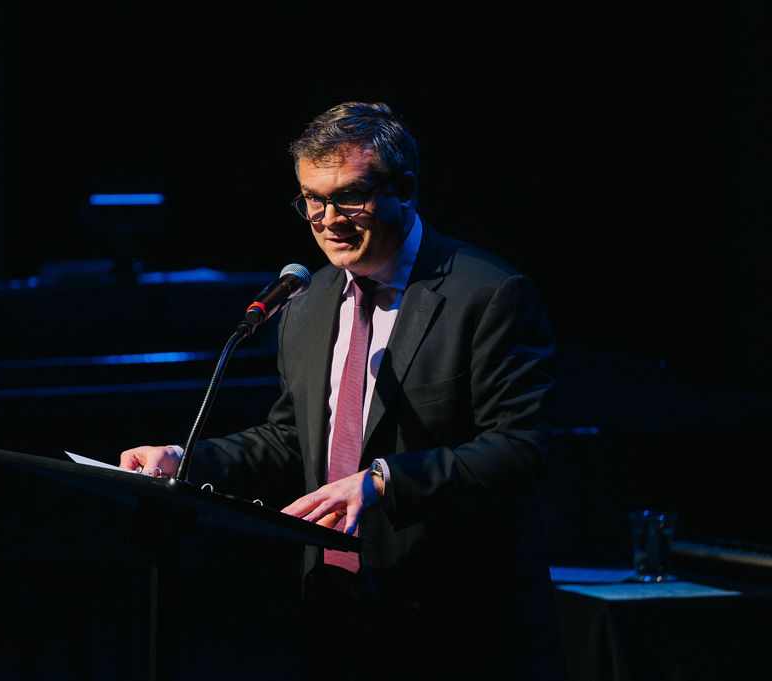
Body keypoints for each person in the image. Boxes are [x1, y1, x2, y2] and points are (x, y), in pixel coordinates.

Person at [120, 102, 564, 680]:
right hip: (335, 608)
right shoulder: (305, 306)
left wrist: (383, 481)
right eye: (311, 199)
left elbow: (520, 449)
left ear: (404, 190)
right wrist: (182, 459)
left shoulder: (490, 294)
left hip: (456, 619)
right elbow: (289, 441)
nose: (328, 219)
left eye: (349, 196)